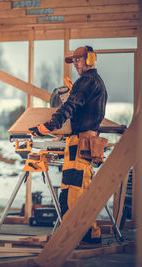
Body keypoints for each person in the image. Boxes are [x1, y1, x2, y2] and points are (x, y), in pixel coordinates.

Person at [29, 46, 108, 244]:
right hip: (84, 141)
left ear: (90, 59)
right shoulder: (93, 83)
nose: (76, 64)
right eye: (73, 61)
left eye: (79, 60)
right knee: (74, 189)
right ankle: (85, 232)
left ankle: (77, 235)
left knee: (73, 191)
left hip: (81, 142)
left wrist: (50, 125)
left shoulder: (87, 81)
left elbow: (69, 106)